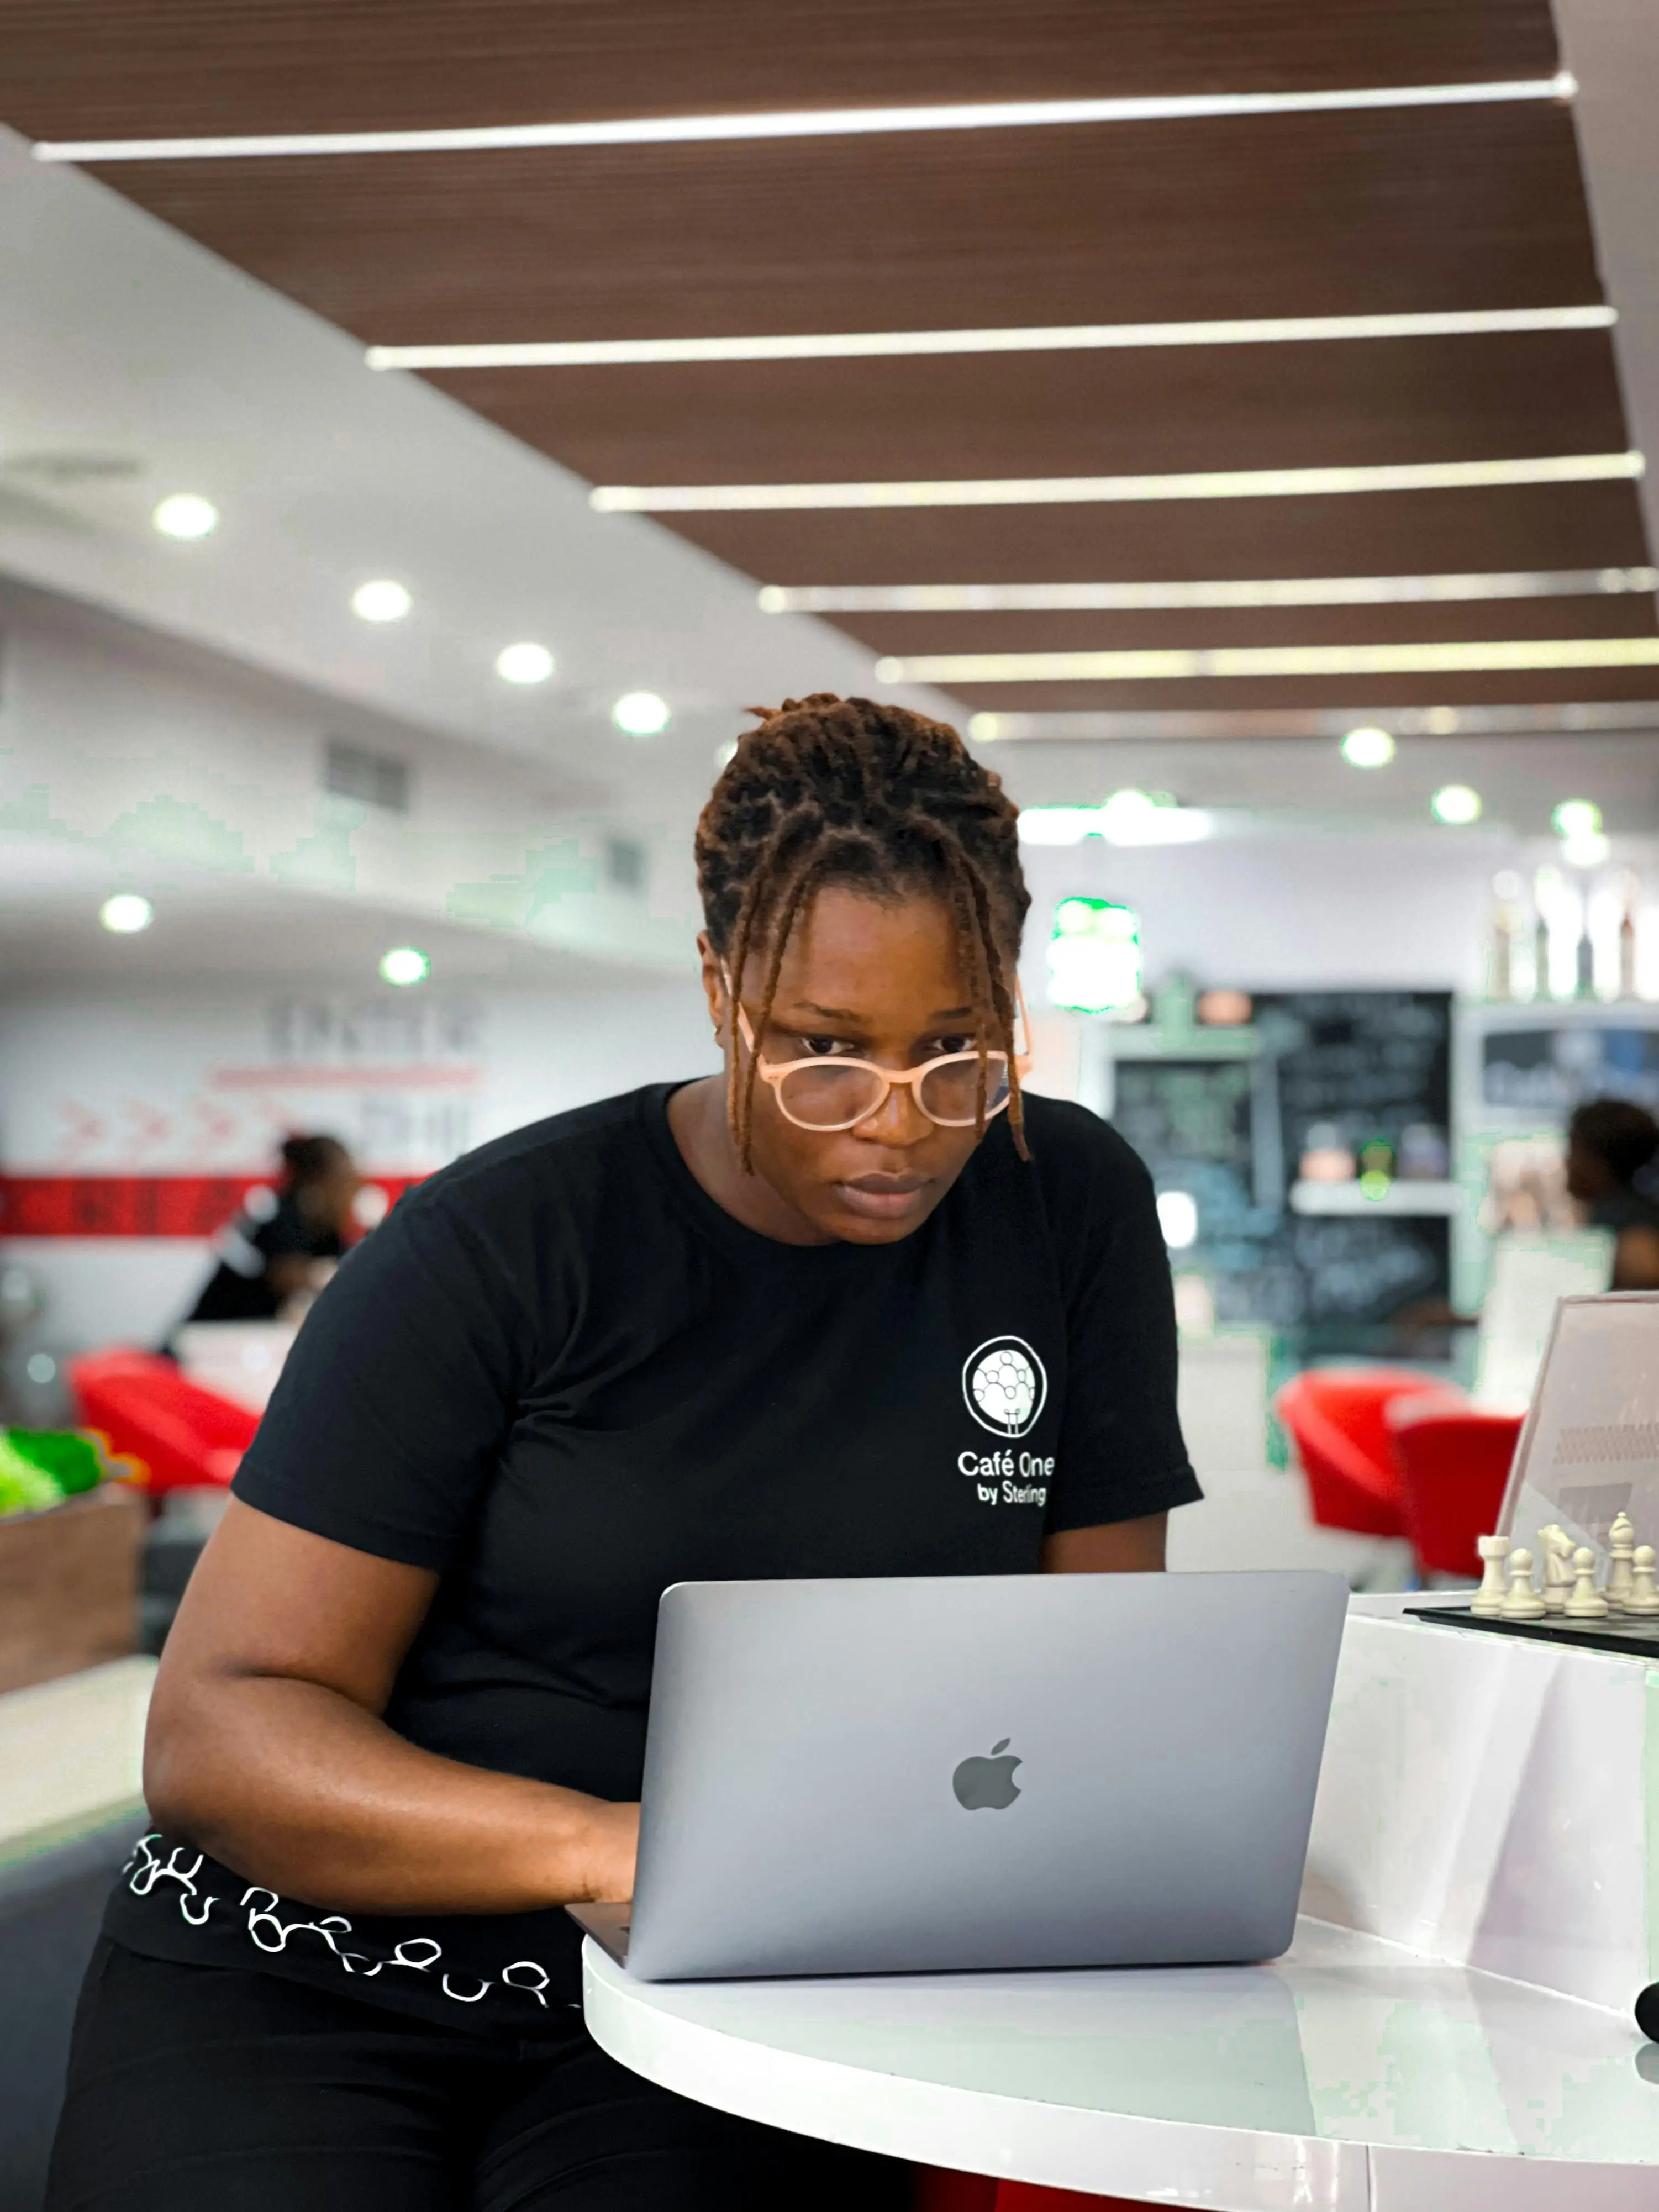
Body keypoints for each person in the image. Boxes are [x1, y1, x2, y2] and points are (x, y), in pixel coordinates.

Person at [49, 695, 1200, 2212]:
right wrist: (614, 1844)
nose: (902, 1126)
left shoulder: (1065, 1203)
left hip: (725, 1998)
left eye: (956, 1050)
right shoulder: (503, 1242)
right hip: (310, 1961)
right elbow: (217, 1731)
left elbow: (1081, 1671)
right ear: (723, 990)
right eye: (825, 1051)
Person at [178, 1135, 361, 1326]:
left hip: (252, 1332)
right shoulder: (277, 1213)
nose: (349, 1193)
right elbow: (287, 1277)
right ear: (318, 1183)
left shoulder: (327, 1227)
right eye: (344, 1183)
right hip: (216, 1330)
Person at [1565, 1097, 1659, 1289]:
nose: (1567, 1162)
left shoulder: (1632, 1230)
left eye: (1574, 1149)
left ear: (1599, 1163)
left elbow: (1644, 1269)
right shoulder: (1613, 1216)